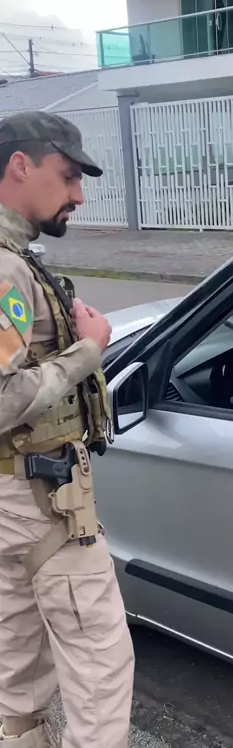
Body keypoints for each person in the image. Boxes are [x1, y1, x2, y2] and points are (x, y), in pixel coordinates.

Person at [0, 112, 134, 747]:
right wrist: (89, 350)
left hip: (16, 498)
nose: (79, 194)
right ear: (20, 166)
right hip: (42, 503)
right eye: (69, 175)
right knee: (101, 668)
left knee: (18, 666)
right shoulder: (6, 270)